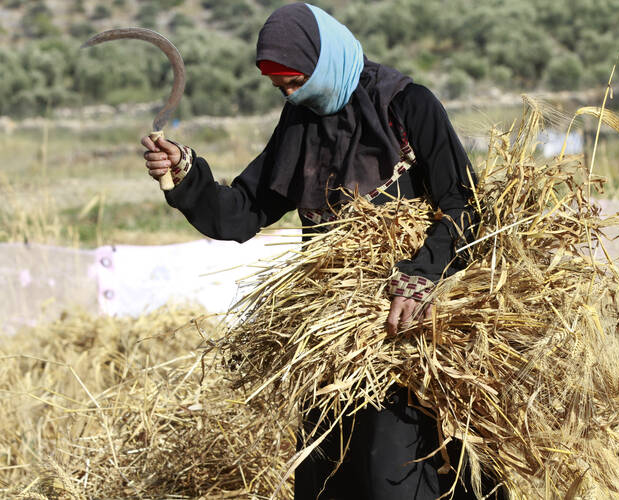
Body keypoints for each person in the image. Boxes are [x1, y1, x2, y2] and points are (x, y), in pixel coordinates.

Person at [141, 3, 502, 498]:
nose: (292, 95)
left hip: (408, 334)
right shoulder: (300, 123)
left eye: (295, 81)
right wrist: (184, 172)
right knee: (325, 478)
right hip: (333, 340)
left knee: (390, 475)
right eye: (281, 88)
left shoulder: (406, 105)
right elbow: (243, 211)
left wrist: (421, 276)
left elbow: (466, 202)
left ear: (323, 60)